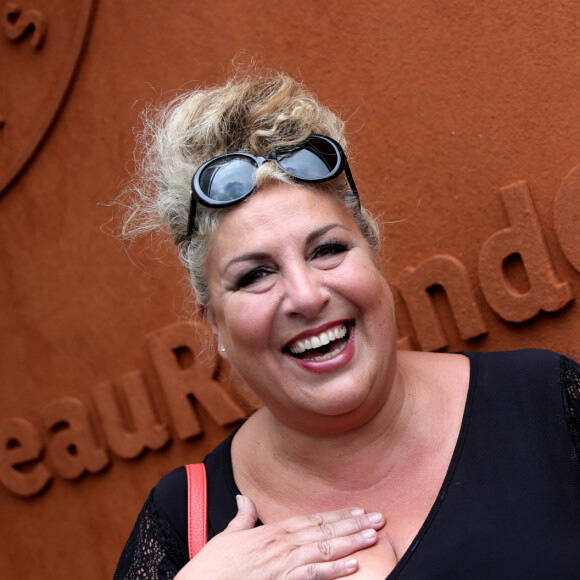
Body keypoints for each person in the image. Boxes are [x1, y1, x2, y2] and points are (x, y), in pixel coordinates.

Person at [114, 71, 580, 579]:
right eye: (254, 275)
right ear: (215, 327)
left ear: (374, 258)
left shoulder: (548, 402)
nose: (307, 295)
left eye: (328, 249)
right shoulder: (182, 523)